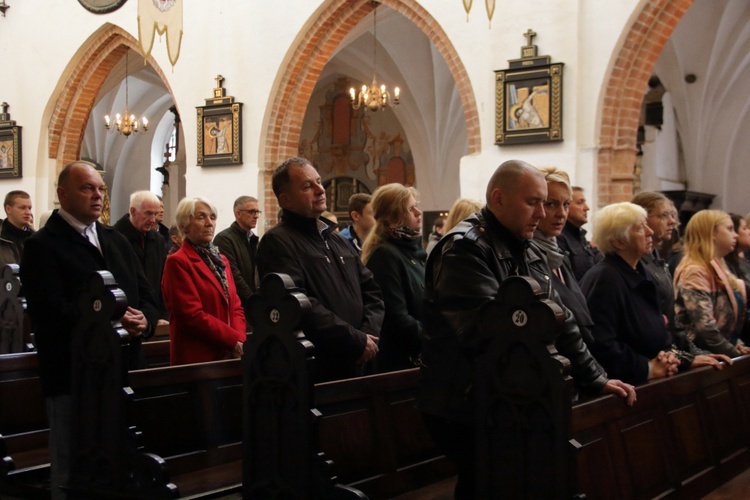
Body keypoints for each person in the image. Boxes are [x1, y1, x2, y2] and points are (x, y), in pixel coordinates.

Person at [418, 160, 636, 499]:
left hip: (506, 397)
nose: (541, 212)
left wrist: (595, 378)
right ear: (498, 198)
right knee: (487, 484)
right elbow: (488, 333)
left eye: (544, 202)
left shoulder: (526, 245)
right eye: (532, 202)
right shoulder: (465, 247)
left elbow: (559, 319)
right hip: (463, 400)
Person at [20, 161, 159, 498]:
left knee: (120, 465)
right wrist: (110, 321)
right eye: (87, 188)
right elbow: (49, 311)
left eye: (100, 189)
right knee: (71, 469)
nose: (97, 195)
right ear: (62, 194)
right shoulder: (43, 245)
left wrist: (146, 321)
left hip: (124, 369)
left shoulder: (115, 240)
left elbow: (147, 296)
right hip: (72, 374)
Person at [256, 157, 384, 382]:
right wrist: (354, 340)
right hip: (320, 363)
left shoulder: (338, 241)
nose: (320, 189)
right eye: (307, 186)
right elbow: (299, 303)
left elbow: (372, 291)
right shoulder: (278, 241)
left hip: (360, 357)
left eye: (318, 181)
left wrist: (366, 336)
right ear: (285, 200)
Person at [581, 202, 729, 385]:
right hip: (628, 385)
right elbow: (601, 344)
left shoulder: (641, 271)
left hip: (655, 376)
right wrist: (647, 368)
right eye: (639, 228)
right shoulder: (606, 278)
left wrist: (681, 359)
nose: (649, 231)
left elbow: (658, 329)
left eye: (645, 224)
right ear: (618, 242)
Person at [161, 197, 246, 365]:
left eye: (212, 217)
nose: (209, 223)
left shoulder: (221, 260)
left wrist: (239, 339)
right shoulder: (178, 262)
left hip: (228, 353)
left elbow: (235, 305)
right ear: (185, 225)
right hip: (198, 356)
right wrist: (232, 340)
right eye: (201, 217)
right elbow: (191, 315)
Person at [361, 183, 426, 372]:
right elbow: (396, 318)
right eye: (410, 208)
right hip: (401, 362)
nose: (418, 212)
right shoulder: (385, 255)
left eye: (416, 205)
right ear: (392, 218)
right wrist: (435, 337)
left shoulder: (413, 252)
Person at [532, 168, 597, 347]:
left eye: (566, 204)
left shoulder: (559, 256)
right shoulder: (527, 258)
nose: (562, 213)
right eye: (551, 204)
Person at [674, 210, 750, 357]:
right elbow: (705, 328)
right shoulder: (694, 270)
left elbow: (728, 320)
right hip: (705, 357)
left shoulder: (718, 265)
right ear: (711, 233)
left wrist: (737, 344)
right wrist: (732, 352)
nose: (735, 235)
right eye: (729, 229)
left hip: (720, 354)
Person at [114, 191, 168, 321]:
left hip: (154, 315)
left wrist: (160, 315)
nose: (153, 220)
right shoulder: (114, 238)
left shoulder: (157, 240)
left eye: (155, 214)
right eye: (148, 213)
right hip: (126, 314)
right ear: (133, 211)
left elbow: (162, 281)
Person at [213, 196, 260, 314]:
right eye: (251, 212)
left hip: (253, 304)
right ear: (238, 213)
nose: (256, 216)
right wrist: (253, 301)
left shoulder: (253, 239)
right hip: (237, 306)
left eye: (257, 212)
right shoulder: (224, 239)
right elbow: (233, 275)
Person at [557, 186, 603, 282]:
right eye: (580, 203)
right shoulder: (559, 237)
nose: (587, 208)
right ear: (566, 206)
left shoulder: (580, 237)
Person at [1, 190, 34, 259]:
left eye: (29, 208)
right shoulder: (2, 236)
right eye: (22, 208)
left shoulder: (35, 237)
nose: (28, 212)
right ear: (8, 209)